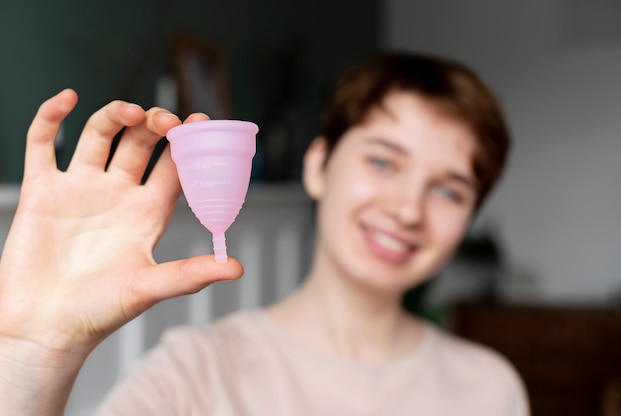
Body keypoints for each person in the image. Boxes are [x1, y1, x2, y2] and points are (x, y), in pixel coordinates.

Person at [0, 52, 529, 415]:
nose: (409, 209)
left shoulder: (490, 389)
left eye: (449, 190)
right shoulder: (195, 373)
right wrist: (35, 356)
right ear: (318, 165)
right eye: (384, 162)